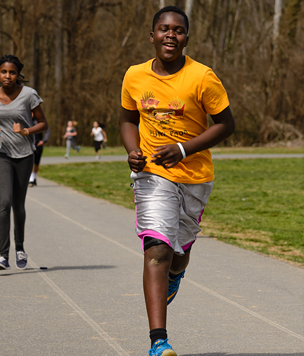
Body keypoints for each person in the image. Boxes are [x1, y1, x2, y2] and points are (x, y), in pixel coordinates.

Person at [120, 6, 235, 356]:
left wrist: (184, 149)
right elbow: (126, 119)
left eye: (178, 30)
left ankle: (174, 274)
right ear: (152, 35)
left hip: (195, 177)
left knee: (178, 254)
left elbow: (226, 124)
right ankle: (159, 341)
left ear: (187, 37)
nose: (171, 35)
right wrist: (133, 150)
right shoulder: (134, 76)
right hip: (152, 175)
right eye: (164, 29)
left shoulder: (202, 77)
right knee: (157, 248)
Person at [0, 54, 48, 270]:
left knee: (18, 204)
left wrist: (26, 130)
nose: (7, 76)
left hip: (24, 154)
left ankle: (19, 247)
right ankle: (2, 256)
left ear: (18, 74)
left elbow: (43, 123)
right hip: (0, 153)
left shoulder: (29, 95)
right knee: (4, 202)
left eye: (12, 72)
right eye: (3, 72)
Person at [29, 115, 50, 187]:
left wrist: (44, 141)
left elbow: (47, 131)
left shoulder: (39, 120)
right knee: (31, 161)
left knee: (36, 163)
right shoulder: (26, 119)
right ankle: (31, 179)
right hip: (29, 145)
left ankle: (34, 177)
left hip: (38, 145)